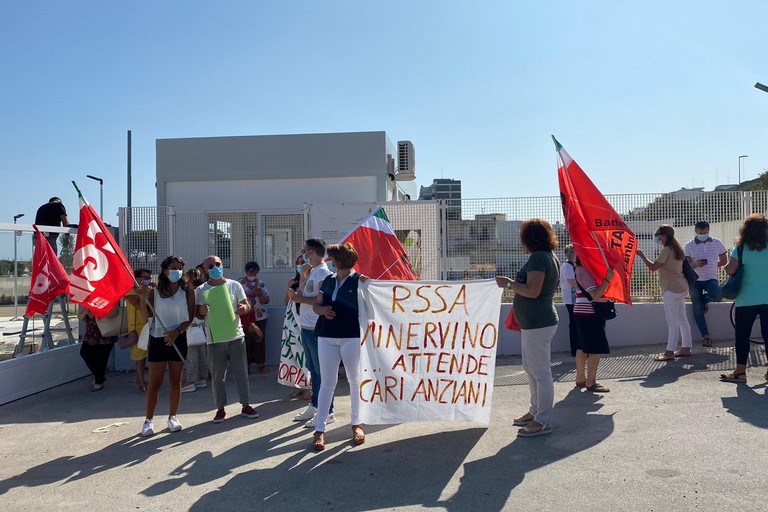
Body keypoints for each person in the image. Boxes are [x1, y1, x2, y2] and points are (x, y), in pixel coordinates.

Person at [495, 219, 559, 437]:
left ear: (529, 238)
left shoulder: (539, 258)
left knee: (540, 372)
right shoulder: (546, 256)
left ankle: (543, 420)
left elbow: (532, 291)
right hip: (534, 323)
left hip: (538, 323)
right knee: (531, 368)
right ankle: (536, 411)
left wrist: (509, 283)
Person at [310, 242, 366, 451]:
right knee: (327, 383)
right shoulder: (328, 280)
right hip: (326, 336)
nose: (330, 262)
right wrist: (322, 310)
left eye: (333, 258)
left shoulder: (360, 281)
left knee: (354, 381)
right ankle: (319, 430)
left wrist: (368, 286)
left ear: (341, 259)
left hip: (351, 336)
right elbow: (316, 305)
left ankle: (356, 425)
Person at [196, 255, 260, 423]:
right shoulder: (200, 290)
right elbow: (197, 313)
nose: (215, 268)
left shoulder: (235, 285)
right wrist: (202, 310)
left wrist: (243, 308)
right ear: (205, 269)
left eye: (217, 264)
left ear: (222, 265)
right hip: (214, 338)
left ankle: (246, 405)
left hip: (236, 335)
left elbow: (246, 305)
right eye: (210, 266)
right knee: (218, 375)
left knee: (242, 372)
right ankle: (220, 408)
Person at [138, 256, 195, 437]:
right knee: (155, 382)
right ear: (164, 270)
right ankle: (148, 420)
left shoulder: (187, 291)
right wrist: (141, 298)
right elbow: (144, 317)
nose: (176, 271)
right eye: (173, 267)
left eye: (179, 268)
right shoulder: (154, 292)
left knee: (175, 380)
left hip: (178, 338)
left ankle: (173, 417)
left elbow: (190, 317)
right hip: (157, 339)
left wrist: (176, 332)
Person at [287, 238, 334, 428]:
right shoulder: (312, 271)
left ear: (312, 252)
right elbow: (302, 292)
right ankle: (315, 405)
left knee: (322, 371)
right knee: (313, 370)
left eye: (305, 251)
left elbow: (321, 300)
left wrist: (298, 298)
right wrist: (304, 277)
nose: (303, 254)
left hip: (316, 327)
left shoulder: (323, 272)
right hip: (306, 327)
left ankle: (327, 410)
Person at [719, 214, 768, 383]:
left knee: (742, 335)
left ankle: (740, 372)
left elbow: (730, 270)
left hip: (747, 299)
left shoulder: (740, 249)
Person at [637, 225, 693, 361]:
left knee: (672, 322)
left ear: (664, 236)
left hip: (671, 289)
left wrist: (641, 255)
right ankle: (686, 347)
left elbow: (653, 267)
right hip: (681, 287)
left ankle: (669, 352)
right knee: (682, 318)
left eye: (658, 234)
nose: (656, 237)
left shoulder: (667, 250)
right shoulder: (677, 249)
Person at [573, 254, 615, 393]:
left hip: (581, 311)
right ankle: (591, 381)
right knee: (596, 347)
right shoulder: (584, 271)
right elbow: (595, 294)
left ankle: (580, 377)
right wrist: (607, 279)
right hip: (590, 313)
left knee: (582, 346)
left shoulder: (578, 269)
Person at [684, 221, 728, 347]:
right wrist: (695, 264)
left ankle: (702, 300)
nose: (703, 235)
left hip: (710, 278)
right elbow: (686, 266)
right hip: (694, 280)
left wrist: (714, 264)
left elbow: (724, 260)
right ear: (696, 232)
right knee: (697, 310)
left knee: (718, 295)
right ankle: (706, 336)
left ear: (709, 230)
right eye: (701, 233)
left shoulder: (717, 242)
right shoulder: (689, 245)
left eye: (706, 232)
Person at [285, 253, 312, 400]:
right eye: (298, 262)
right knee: (296, 354)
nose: (300, 264)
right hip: (294, 321)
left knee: (308, 356)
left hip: (308, 322)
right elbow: (286, 302)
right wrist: (291, 295)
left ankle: (309, 387)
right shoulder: (292, 281)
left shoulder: (314, 279)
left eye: (303, 262)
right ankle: (299, 385)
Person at [124, 268, 153, 394]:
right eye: (144, 278)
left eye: (149, 278)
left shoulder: (147, 291)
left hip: (148, 325)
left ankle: (139, 380)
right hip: (137, 328)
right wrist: (144, 293)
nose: (147, 280)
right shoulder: (130, 292)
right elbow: (139, 305)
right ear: (137, 278)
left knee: (147, 356)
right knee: (139, 358)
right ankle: (141, 383)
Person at [239, 261, 270, 374]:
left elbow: (266, 300)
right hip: (245, 316)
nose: (253, 274)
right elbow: (235, 299)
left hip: (259, 316)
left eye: (255, 272)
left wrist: (260, 294)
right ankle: (245, 365)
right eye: (251, 271)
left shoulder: (260, 283)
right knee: (245, 341)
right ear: (246, 271)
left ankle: (261, 364)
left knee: (259, 339)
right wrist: (250, 293)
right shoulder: (239, 283)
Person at [181, 268, 209, 393]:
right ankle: (201, 378)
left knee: (191, 354)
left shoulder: (191, 292)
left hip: (191, 324)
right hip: (201, 324)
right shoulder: (203, 290)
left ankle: (190, 381)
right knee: (201, 352)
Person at [78, 304, 119, 392]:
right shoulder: (85, 298)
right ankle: (99, 376)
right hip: (91, 333)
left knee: (102, 358)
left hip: (106, 332)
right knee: (84, 353)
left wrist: (97, 312)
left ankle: (99, 381)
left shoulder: (110, 296)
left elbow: (114, 312)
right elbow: (80, 316)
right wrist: (86, 312)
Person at [559, 245, 578, 357]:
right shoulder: (567, 266)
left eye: (574, 251)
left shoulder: (574, 265)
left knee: (577, 324)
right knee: (574, 324)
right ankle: (574, 349)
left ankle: (578, 348)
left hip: (576, 299)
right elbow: (572, 282)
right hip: (571, 300)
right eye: (571, 251)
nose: (573, 253)